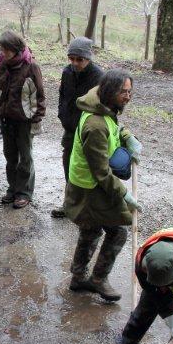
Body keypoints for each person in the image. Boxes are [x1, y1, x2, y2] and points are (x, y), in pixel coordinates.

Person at [63, 69, 142, 302]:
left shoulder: (103, 107)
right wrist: (124, 194)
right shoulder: (95, 125)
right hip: (88, 189)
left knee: (91, 229)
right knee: (116, 231)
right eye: (123, 92)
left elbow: (113, 128)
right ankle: (96, 279)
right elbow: (100, 172)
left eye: (129, 91)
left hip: (91, 185)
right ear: (109, 92)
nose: (127, 96)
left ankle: (79, 278)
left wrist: (126, 135)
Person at [0, 31, 45, 209]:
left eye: (5, 49)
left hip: (24, 121)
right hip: (6, 119)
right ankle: (13, 189)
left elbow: (39, 96)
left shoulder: (31, 67)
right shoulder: (1, 65)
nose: (2, 53)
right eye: (1, 49)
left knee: (25, 157)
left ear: (16, 49)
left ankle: (24, 192)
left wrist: (36, 120)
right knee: (10, 156)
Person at [51, 37, 103, 219]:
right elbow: (62, 95)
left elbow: (102, 105)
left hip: (88, 132)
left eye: (79, 59)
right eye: (71, 58)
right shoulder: (67, 72)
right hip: (70, 129)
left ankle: (90, 207)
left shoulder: (98, 76)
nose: (75, 63)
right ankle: (70, 204)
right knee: (69, 165)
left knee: (88, 169)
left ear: (88, 58)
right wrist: (61, 113)